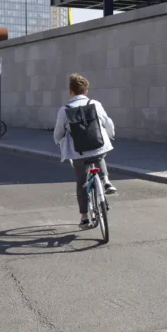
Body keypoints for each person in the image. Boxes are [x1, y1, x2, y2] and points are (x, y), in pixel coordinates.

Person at [53, 74, 117, 228]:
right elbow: (108, 123)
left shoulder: (64, 110)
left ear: (71, 91)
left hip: (78, 152)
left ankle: (84, 217)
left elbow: (59, 132)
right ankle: (106, 182)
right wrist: (110, 135)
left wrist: (58, 142)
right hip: (98, 145)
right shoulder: (95, 104)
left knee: (81, 182)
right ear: (86, 90)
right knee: (99, 155)